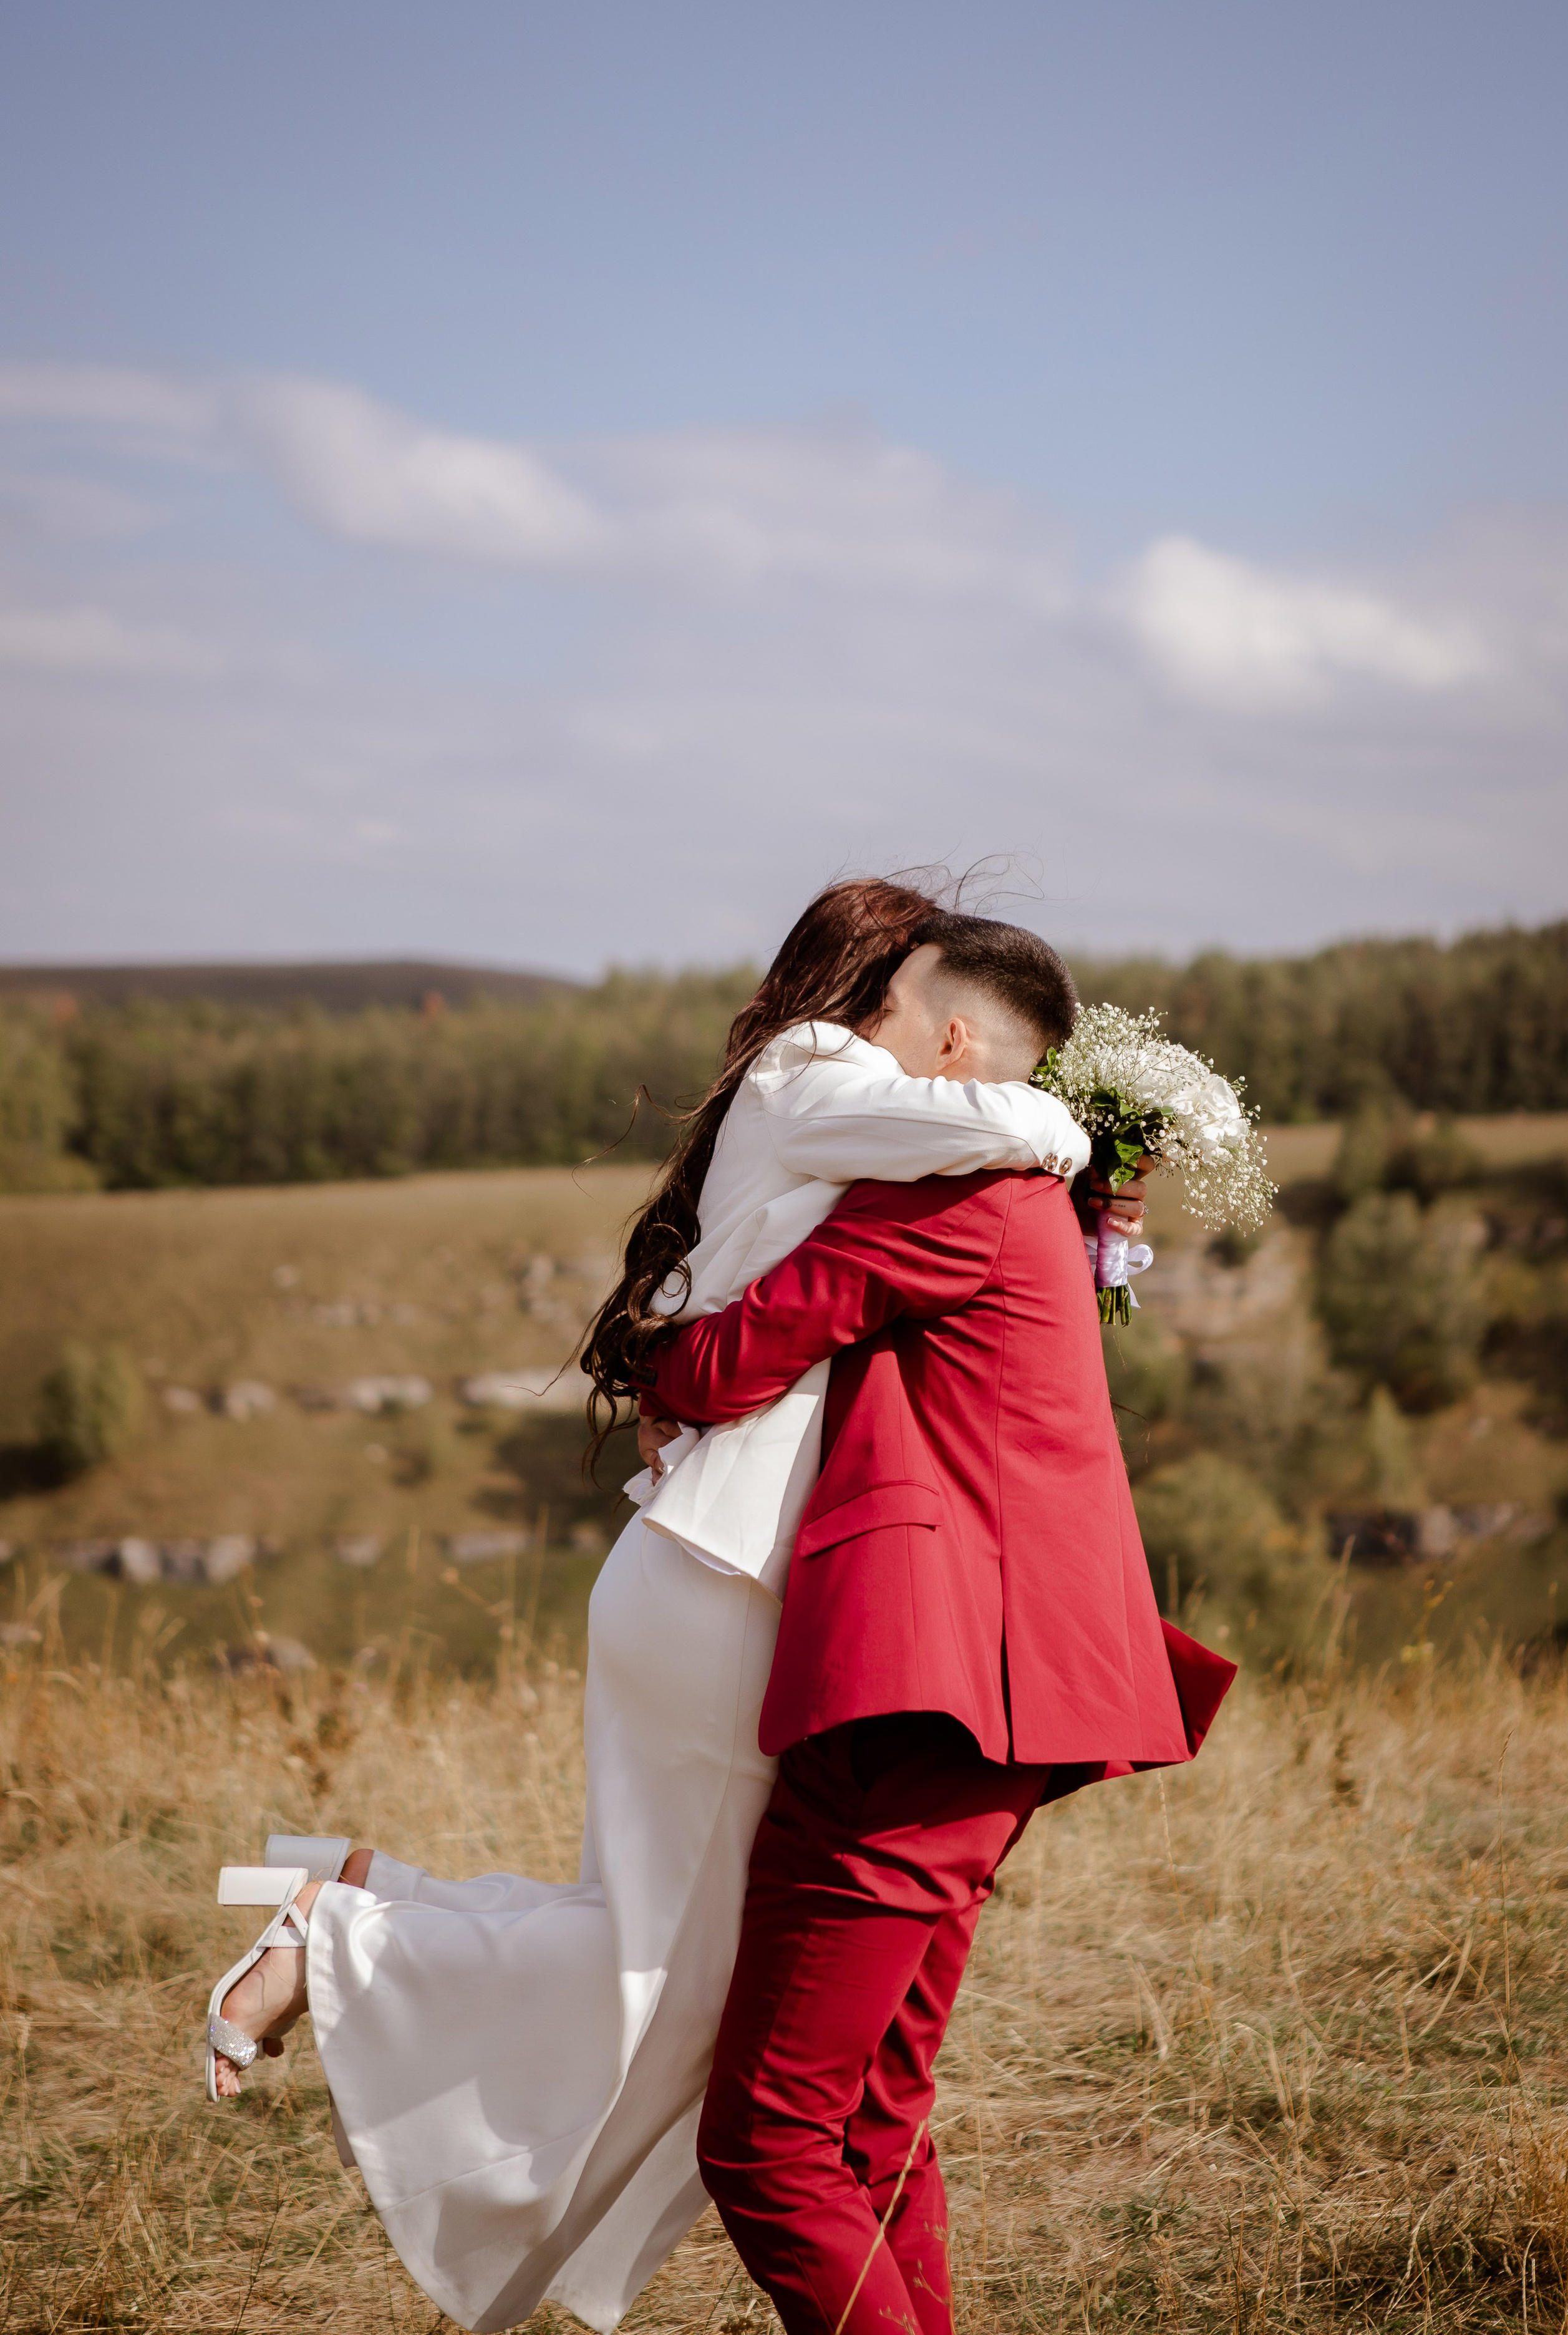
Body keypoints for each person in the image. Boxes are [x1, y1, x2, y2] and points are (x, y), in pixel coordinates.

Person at [203, 878, 1112, 2335]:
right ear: (916, 1014)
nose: (872, 1025)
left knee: (661, 1955)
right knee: (673, 1989)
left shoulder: (865, 1125)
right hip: (733, 1576)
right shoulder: (821, 1075)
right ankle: (339, 1937)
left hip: (718, 1569)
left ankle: (352, 1899)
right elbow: (737, 1351)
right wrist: (1076, 1132)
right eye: (888, 994)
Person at [640, 973, 1237, 2335]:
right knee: (871, 2124)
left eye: (883, 1016)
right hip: (1014, 1706)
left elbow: (741, 1353)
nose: (860, 1049)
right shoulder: (1038, 1203)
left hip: (924, 1702)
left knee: (768, 2146)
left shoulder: (955, 1198)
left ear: (953, 1040)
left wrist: (648, 1364)